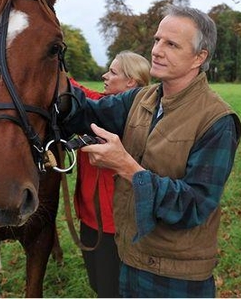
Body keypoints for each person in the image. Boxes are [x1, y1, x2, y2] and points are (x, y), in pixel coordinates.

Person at [60, 4, 241, 297]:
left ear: (200, 57)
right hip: (129, 256)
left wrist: (127, 168)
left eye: (171, 44)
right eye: (157, 40)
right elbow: (87, 114)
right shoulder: (142, 98)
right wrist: (48, 74)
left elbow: (194, 205)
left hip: (176, 274)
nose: (157, 50)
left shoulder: (217, 120)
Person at [69, 51, 151, 298]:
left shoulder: (135, 116)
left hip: (114, 224)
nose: (105, 75)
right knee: (97, 283)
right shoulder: (100, 104)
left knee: (110, 290)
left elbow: (80, 97)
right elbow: (77, 92)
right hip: (89, 217)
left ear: (131, 83)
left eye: (113, 72)